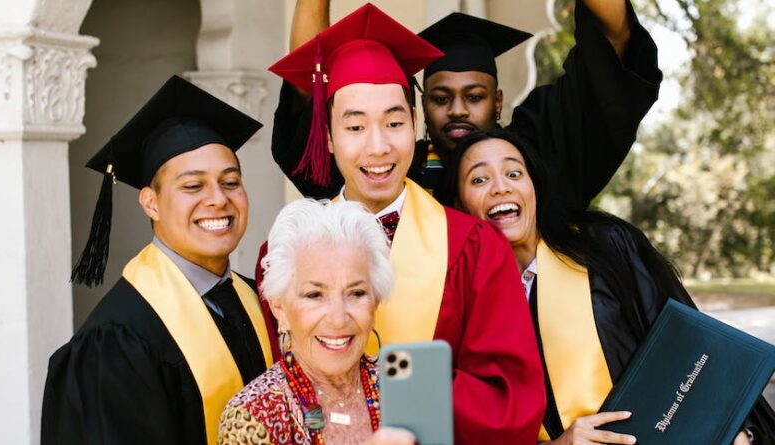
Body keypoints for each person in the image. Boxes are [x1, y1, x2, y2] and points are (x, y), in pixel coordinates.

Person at [265, 4, 546, 443]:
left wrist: (392, 389)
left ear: (415, 124)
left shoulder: (474, 246)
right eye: (355, 127)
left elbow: (511, 403)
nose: (378, 148)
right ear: (329, 136)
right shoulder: (286, 254)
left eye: (394, 123)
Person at [437, 127, 775, 445]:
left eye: (514, 173)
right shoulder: (460, 309)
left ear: (535, 187)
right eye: (479, 179)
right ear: (459, 206)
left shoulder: (604, 247)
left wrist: (735, 428)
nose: (501, 188)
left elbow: (692, 347)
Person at [41, 75, 274, 445]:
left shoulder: (257, 299)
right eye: (193, 186)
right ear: (151, 202)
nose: (218, 199)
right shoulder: (117, 341)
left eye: (230, 182)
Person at [272, 0, 662, 210]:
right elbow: (311, 87)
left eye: (474, 97)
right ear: (419, 111)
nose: (458, 110)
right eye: (441, 98)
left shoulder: (538, 154)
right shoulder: (384, 171)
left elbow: (613, 44)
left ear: (498, 102)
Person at [219, 199, 415, 445]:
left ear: (375, 301)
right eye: (314, 295)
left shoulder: (403, 390)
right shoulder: (253, 415)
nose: (338, 319)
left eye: (356, 293)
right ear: (279, 306)